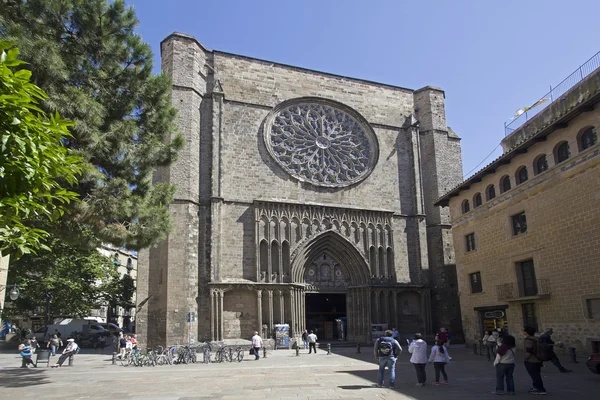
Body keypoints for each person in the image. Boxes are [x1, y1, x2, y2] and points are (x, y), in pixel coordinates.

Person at [523, 326, 547, 395]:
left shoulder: (528, 340)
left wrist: (526, 358)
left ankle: (540, 389)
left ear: (526, 332)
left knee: (535, 375)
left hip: (532, 360)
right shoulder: (537, 338)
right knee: (536, 374)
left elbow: (529, 351)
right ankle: (536, 387)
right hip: (539, 359)